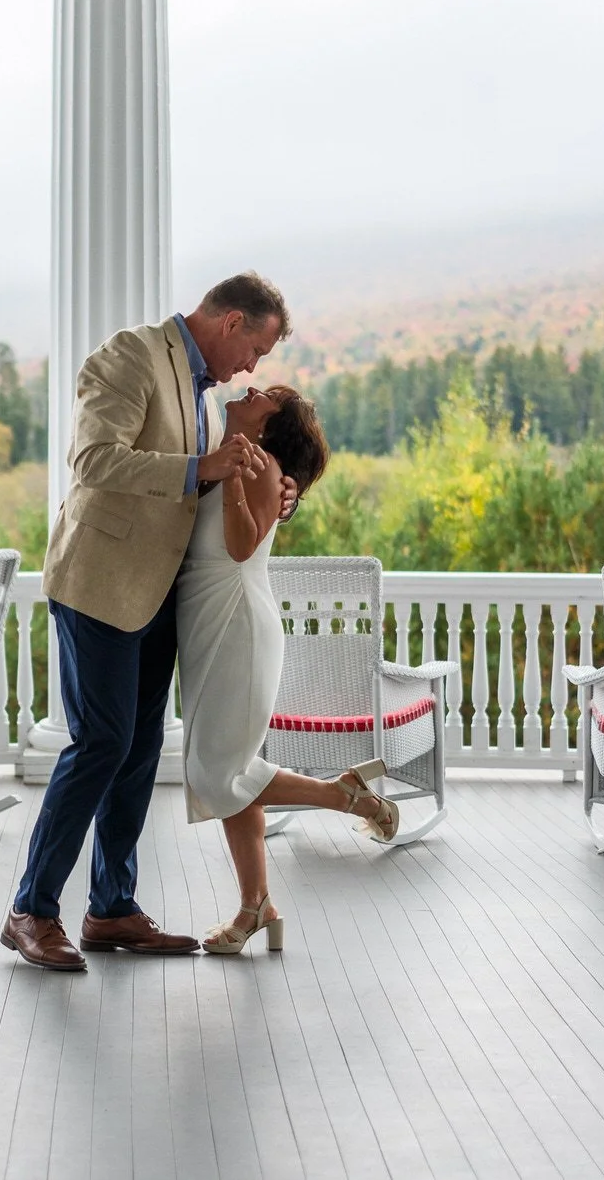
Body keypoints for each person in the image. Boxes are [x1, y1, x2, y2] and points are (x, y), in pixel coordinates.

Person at [1, 273, 297, 972]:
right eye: (253, 348)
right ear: (229, 321)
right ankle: (31, 910)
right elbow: (94, 461)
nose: (251, 368)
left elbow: (198, 491)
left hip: (157, 589)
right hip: (101, 583)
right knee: (101, 742)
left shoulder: (202, 394)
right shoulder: (130, 356)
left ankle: (111, 908)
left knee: (136, 749)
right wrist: (204, 464)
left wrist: (271, 484)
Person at [178, 384, 401, 956]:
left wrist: (228, 481)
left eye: (266, 397)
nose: (251, 389)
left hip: (236, 627)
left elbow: (239, 547)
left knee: (217, 773)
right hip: (215, 625)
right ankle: (257, 907)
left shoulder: (256, 463)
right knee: (231, 772)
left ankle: (344, 796)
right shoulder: (241, 455)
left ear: (269, 427)